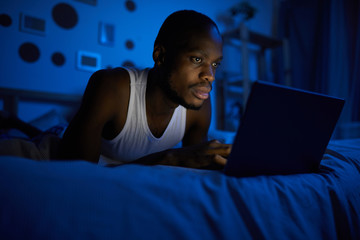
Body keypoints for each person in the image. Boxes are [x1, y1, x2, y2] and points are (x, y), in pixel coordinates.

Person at [59, 10, 232, 169]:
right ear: (160, 55)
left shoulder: (200, 104)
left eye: (215, 64)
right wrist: (169, 158)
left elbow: (194, 169)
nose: (210, 76)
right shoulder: (112, 87)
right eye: (196, 59)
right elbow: (76, 175)